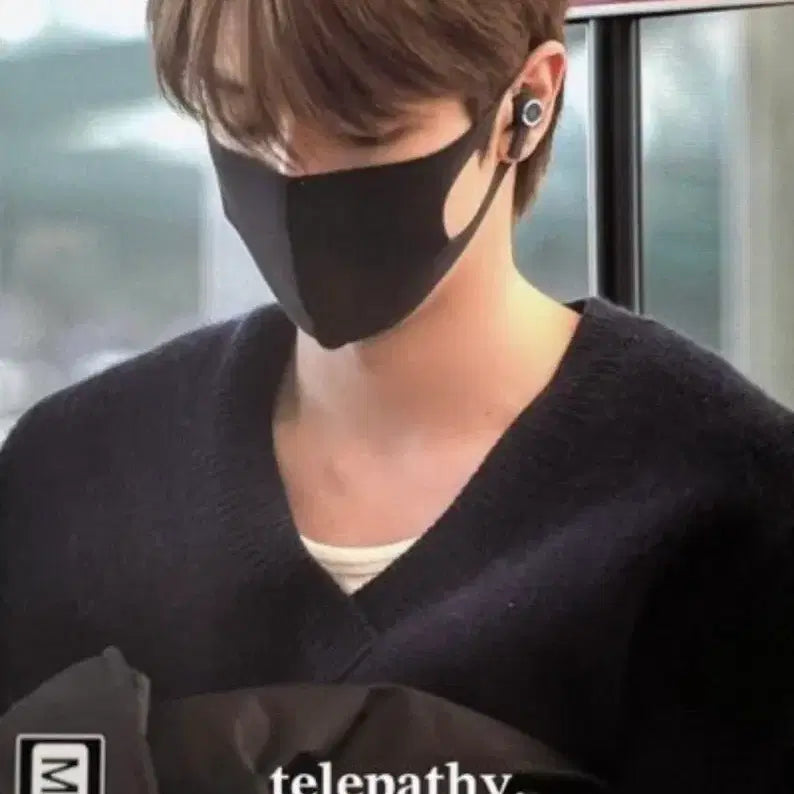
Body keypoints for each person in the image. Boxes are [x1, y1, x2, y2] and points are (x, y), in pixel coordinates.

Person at [0, 0, 792, 791]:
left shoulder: (728, 511)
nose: (291, 172)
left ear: (527, 105)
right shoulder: (72, 478)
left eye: (363, 128)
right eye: (242, 117)